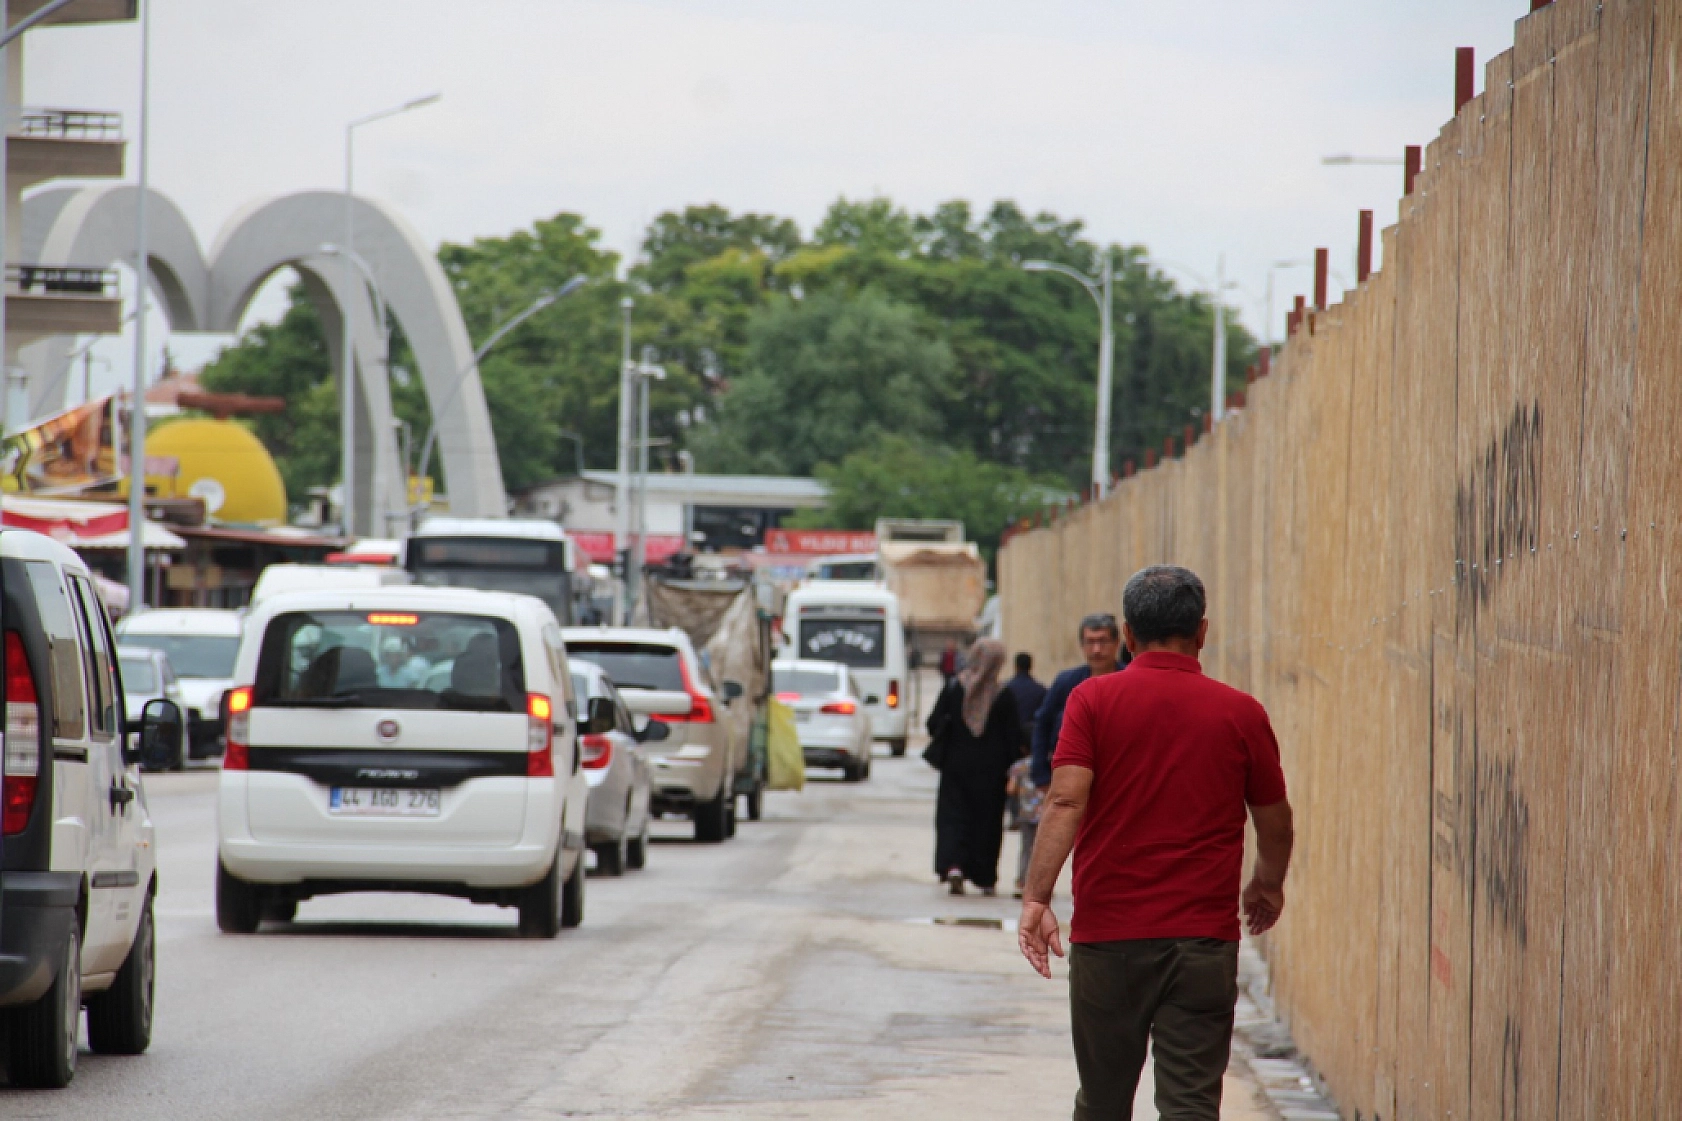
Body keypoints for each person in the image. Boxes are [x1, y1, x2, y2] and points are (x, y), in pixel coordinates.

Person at [1017, 565, 1295, 1121]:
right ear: (1202, 633)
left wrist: (1036, 898)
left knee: (1102, 1102)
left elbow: (1065, 802)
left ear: (1126, 635)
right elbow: (1274, 818)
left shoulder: (1092, 701)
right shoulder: (1241, 712)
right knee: (1191, 1106)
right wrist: (1266, 884)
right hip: (1202, 943)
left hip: (1108, 938)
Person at [927, 639, 1023, 896]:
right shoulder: (1004, 695)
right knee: (988, 823)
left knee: (953, 818)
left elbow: (933, 722)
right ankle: (984, 876)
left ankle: (954, 866)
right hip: (992, 772)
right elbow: (1014, 737)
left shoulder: (954, 688)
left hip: (955, 768)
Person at [1030, 613, 1129, 788]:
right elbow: (1043, 722)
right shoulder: (1066, 681)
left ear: (1116, 643)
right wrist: (1040, 773)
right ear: (1082, 645)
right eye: (1090, 642)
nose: (1096, 649)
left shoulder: (1130, 681)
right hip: (1072, 777)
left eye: (1103, 641)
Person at [1005, 753, 1044, 899]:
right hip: (1044, 813)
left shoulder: (1019, 766)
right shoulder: (1048, 763)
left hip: (1026, 812)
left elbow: (1010, 788)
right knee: (1042, 849)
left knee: (1025, 848)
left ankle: (1022, 881)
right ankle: (1040, 884)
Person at [1004, 652, 1048, 747]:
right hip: (1031, 741)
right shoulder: (1041, 690)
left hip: (1009, 741)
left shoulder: (1005, 689)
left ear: (1016, 666)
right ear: (1031, 666)